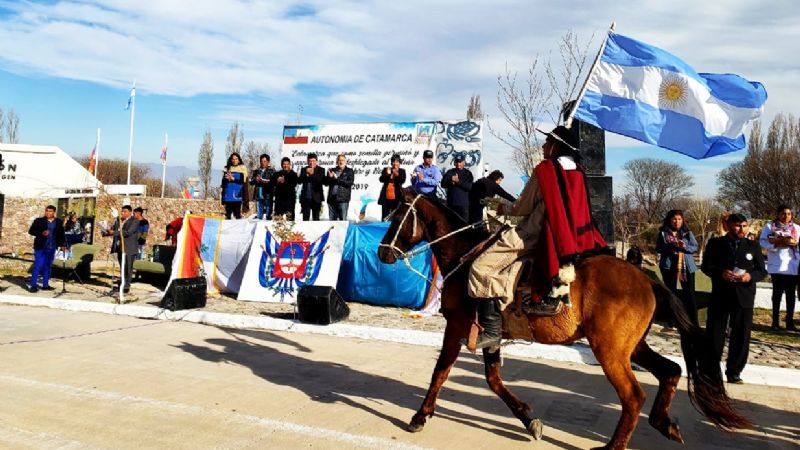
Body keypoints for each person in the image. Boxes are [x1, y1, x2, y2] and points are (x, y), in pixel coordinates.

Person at [467, 126, 606, 349]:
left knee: (480, 268)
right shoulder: (578, 171)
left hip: (534, 234)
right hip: (576, 238)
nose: (543, 146)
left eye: (547, 142)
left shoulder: (546, 170)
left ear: (556, 146)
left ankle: (492, 329)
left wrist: (499, 207)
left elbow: (523, 207)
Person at [701, 213, 767, 384]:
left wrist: (749, 276)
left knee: (741, 335)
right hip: (721, 295)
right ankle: (711, 371)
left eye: (744, 226)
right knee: (715, 334)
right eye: (737, 226)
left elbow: (762, 270)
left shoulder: (753, 245)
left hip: (744, 296)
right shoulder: (716, 244)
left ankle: (734, 371)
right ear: (728, 225)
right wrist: (720, 273)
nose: (741, 229)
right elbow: (706, 266)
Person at [759, 205, 800, 331]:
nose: (786, 216)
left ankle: (789, 321)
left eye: (788, 213)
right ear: (778, 214)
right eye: (783, 213)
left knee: (791, 295)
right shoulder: (769, 226)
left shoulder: (797, 228)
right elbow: (763, 242)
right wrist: (776, 244)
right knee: (777, 294)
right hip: (776, 265)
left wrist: (792, 243)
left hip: (792, 265)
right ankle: (775, 321)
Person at [656, 209, 700, 326]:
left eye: (679, 219)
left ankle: (693, 320)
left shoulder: (687, 232)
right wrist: (671, 246)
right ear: (669, 220)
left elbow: (695, 247)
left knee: (689, 293)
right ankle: (672, 319)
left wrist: (683, 246)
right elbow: (658, 248)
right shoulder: (663, 233)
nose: (677, 221)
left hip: (686, 266)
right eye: (674, 219)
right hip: (669, 266)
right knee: (671, 293)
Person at [27, 205, 66, 292]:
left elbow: (61, 234)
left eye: (50, 211)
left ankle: (45, 285)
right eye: (47, 211)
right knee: (38, 265)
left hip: (52, 247)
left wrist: (62, 245)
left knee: (48, 266)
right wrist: (41, 233)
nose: (48, 213)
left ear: (54, 212)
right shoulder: (39, 221)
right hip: (40, 247)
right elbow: (31, 231)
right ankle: (33, 286)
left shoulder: (58, 222)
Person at [103, 205, 139, 293]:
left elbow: (128, 232)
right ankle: (122, 284)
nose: (123, 213)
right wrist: (106, 232)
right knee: (122, 267)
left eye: (125, 211)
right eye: (122, 211)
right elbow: (114, 230)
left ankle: (126, 286)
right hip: (120, 248)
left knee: (128, 268)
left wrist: (114, 232)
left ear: (130, 212)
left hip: (129, 248)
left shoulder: (134, 221)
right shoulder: (118, 220)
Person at [440, 155, 473, 221]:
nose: (458, 164)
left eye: (460, 162)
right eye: (457, 162)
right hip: (451, 204)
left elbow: (469, 187)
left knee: (463, 225)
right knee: (450, 224)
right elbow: (443, 184)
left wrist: (458, 181)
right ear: (454, 162)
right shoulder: (450, 172)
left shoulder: (468, 173)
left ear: (464, 162)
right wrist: (451, 182)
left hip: (462, 205)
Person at [323, 154, 355, 221]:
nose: (341, 162)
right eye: (339, 160)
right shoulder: (332, 170)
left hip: (343, 199)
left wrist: (337, 179)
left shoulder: (349, 171)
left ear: (346, 161)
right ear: (336, 161)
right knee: (332, 221)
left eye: (342, 160)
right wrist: (329, 177)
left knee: (342, 220)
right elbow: (326, 183)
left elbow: (350, 183)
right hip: (332, 199)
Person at [221, 152, 249, 219]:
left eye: (236, 159)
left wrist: (233, 179)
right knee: (228, 215)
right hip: (228, 195)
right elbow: (223, 183)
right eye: (233, 159)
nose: (234, 160)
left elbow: (243, 181)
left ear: (239, 160)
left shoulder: (242, 168)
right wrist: (226, 178)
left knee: (237, 215)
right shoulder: (227, 168)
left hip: (237, 195)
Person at [378, 154, 407, 219]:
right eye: (393, 161)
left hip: (397, 198)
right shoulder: (386, 169)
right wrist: (387, 175)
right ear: (391, 163)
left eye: (397, 162)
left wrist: (396, 174)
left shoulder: (402, 171)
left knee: (395, 217)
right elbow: (381, 179)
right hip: (386, 198)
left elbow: (402, 180)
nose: (395, 163)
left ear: (400, 163)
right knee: (385, 217)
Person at [298, 153, 325, 221]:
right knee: (305, 218)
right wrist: (305, 174)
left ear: (316, 161)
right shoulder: (304, 169)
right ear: (307, 161)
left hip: (316, 198)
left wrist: (312, 174)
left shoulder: (321, 170)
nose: (311, 162)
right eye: (310, 161)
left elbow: (319, 180)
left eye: (313, 161)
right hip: (306, 198)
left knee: (316, 218)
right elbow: (300, 181)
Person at [250, 153, 275, 220]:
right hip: (258, 194)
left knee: (268, 215)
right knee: (259, 216)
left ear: (268, 162)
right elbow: (251, 182)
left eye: (264, 161)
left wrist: (264, 181)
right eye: (261, 161)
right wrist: (256, 180)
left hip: (268, 194)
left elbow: (274, 182)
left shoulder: (272, 171)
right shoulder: (256, 171)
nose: (262, 163)